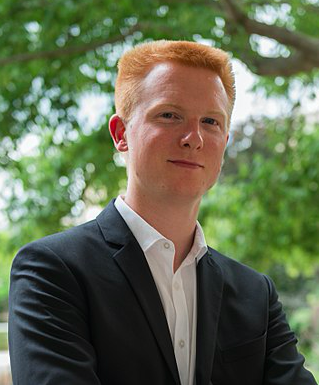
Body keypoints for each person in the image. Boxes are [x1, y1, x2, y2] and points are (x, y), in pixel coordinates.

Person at [8, 40, 317, 385]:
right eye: (170, 115)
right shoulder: (52, 272)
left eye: (211, 122)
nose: (193, 138)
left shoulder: (255, 293)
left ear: (225, 142)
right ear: (121, 133)